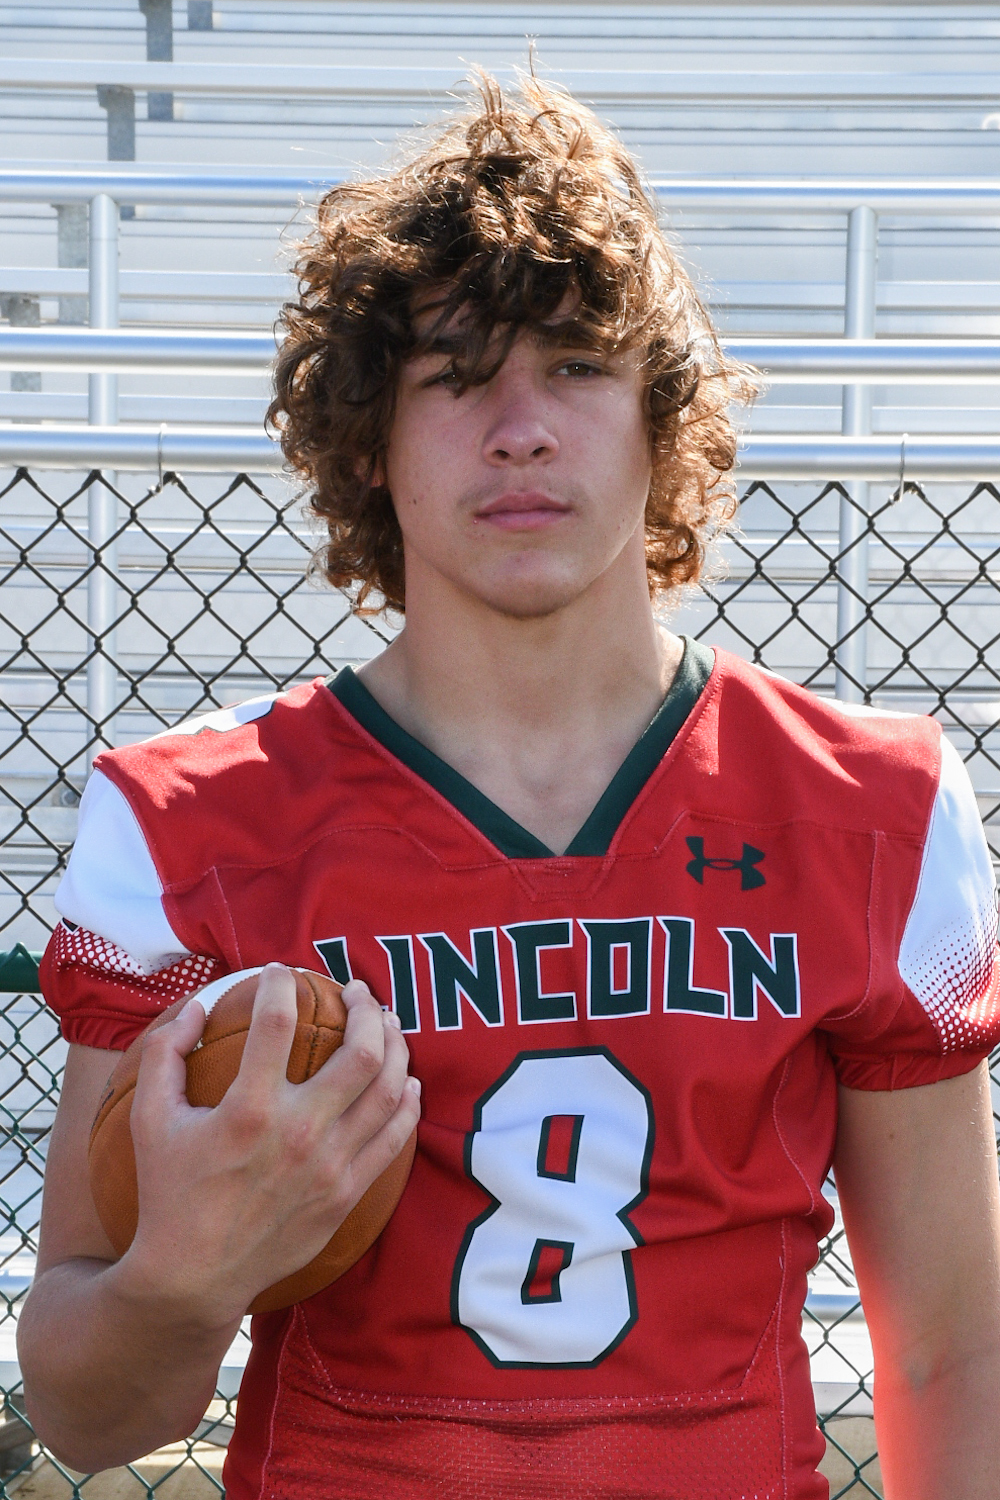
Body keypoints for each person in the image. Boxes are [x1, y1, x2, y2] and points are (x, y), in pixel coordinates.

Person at [18, 74, 1000, 1500]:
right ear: (369, 440)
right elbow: (86, 1416)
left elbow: (946, 1354)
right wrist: (186, 1274)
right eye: (454, 375)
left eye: (579, 368)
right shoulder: (191, 825)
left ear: (664, 418)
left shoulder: (874, 808)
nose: (521, 427)